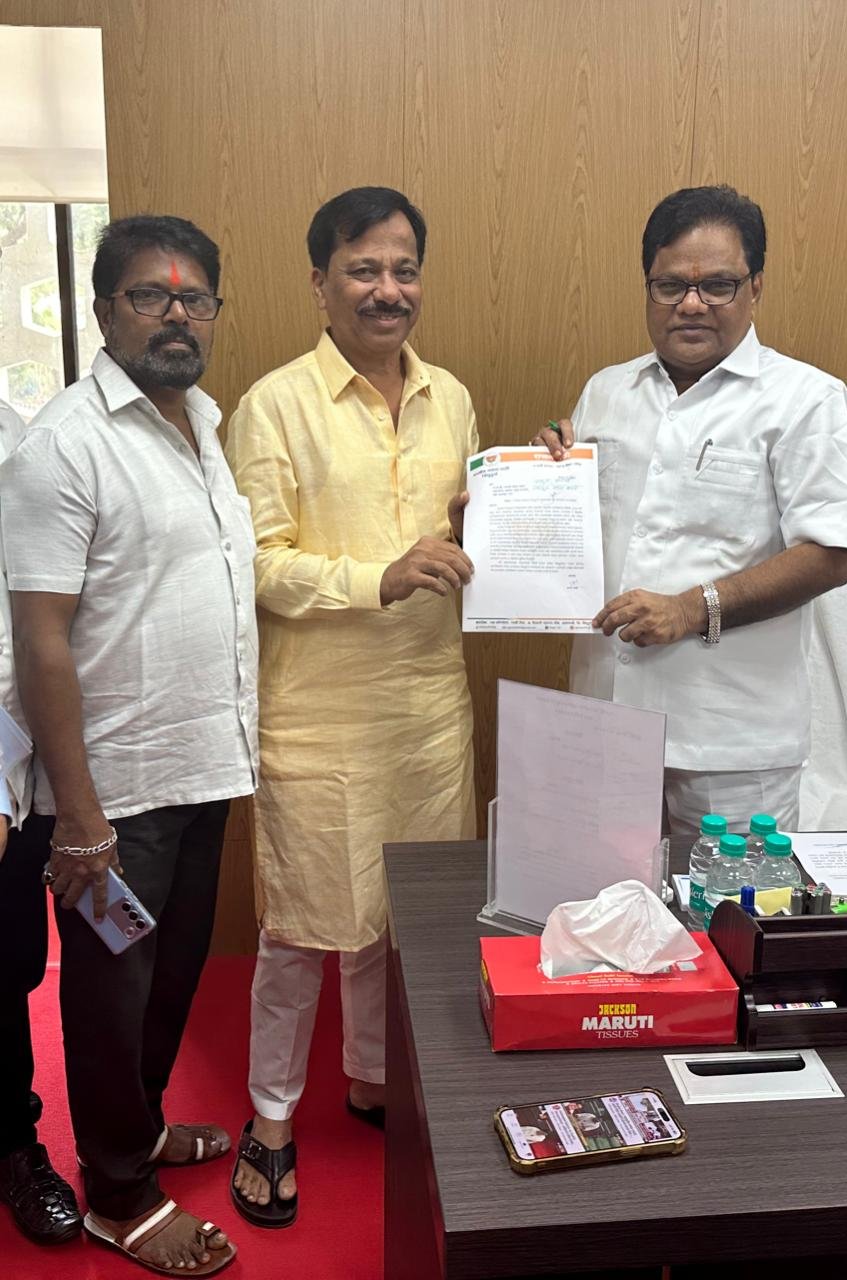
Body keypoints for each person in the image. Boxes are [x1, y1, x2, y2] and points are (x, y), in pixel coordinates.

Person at [0, 215, 258, 1275]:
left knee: (169, 976)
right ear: (105, 310)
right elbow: (40, 639)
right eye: (151, 296)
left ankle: (139, 1130)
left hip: (200, 765)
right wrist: (81, 815)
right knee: (110, 992)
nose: (177, 315)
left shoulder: (202, 421)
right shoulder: (64, 445)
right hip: (114, 792)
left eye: (196, 298)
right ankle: (116, 1190)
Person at [225, 186, 476, 1226]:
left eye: (403, 268)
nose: (387, 289)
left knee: (401, 919)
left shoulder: (451, 397)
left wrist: (524, 498)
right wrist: (377, 577)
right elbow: (255, 564)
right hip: (318, 714)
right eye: (363, 269)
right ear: (319, 284)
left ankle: (373, 1077)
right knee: (300, 928)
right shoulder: (272, 404)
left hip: (428, 710)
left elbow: (460, 535)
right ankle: (271, 1117)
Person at [535, 185, 847, 833]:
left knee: (733, 900)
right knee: (605, 894)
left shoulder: (806, 399)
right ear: (647, 287)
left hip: (730, 742)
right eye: (669, 286)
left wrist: (691, 608)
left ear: (755, 286)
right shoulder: (607, 390)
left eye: (717, 285)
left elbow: (827, 557)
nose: (690, 304)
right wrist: (530, 486)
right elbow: (585, 535)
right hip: (606, 720)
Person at [0, 397, 82, 1246]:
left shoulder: (13, 436)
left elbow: (19, 631)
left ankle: (12, 1146)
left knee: (4, 969)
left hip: (6, 764)